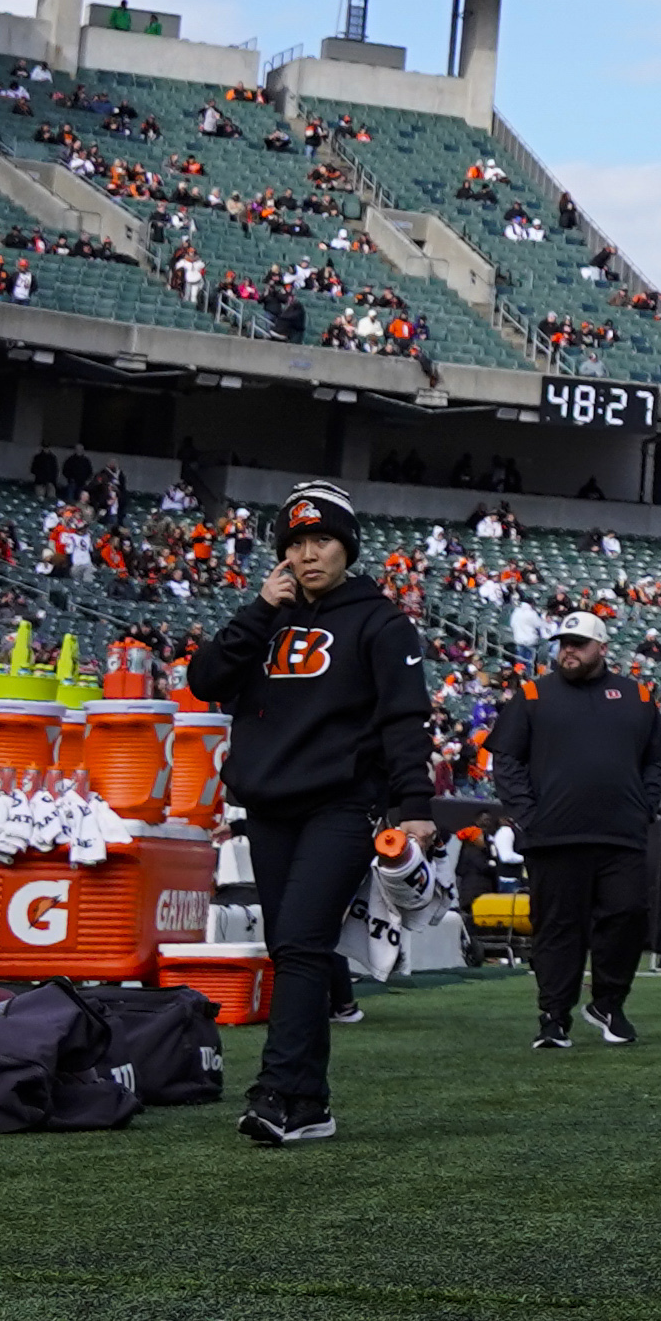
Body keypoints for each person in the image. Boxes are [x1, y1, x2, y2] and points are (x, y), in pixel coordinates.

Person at [185, 482, 431, 1147]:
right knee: (293, 946)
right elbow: (203, 679)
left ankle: (279, 1090)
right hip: (268, 805)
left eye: (319, 539)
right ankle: (307, 1099)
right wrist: (259, 609)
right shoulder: (268, 614)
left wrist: (415, 807)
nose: (306, 553)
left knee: (297, 943)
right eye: (294, 543)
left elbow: (405, 718)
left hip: (342, 801)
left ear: (345, 545)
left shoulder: (380, 620)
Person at [501, 612, 661, 1051]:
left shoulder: (638, 695)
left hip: (621, 834)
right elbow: (506, 760)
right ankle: (554, 1017)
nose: (567, 652)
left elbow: (659, 760)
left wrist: (645, 805)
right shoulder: (534, 693)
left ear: (602, 648)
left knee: (628, 915)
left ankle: (609, 1004)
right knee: (557, 929)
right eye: (563, 644)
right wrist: (528, 814)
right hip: (553, 837)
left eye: (578, 644)